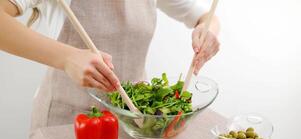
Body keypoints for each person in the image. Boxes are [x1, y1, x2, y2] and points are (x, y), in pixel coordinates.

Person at [0, 0, 220, 131]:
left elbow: (205, 17)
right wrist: (67, 57)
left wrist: (208, 31)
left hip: (136, 122)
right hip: (69, 121)